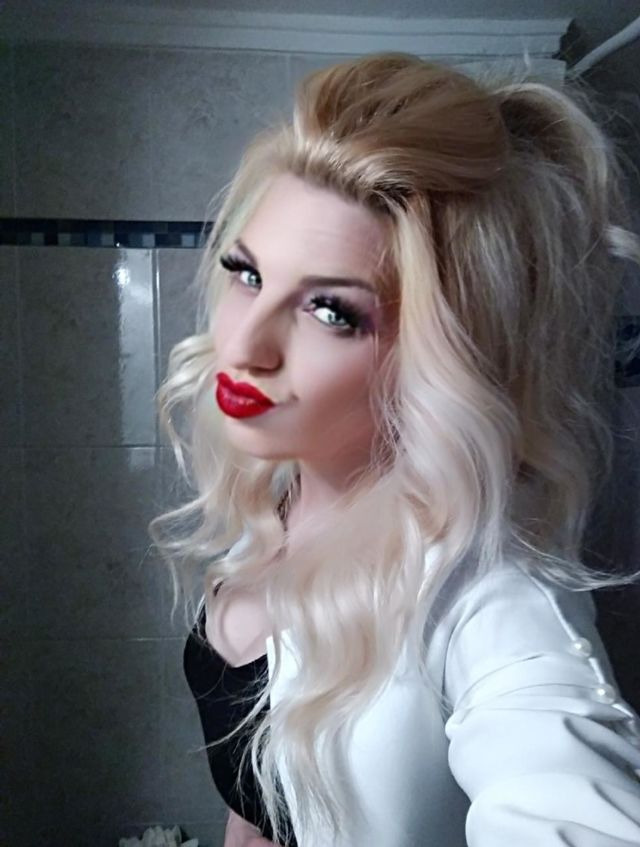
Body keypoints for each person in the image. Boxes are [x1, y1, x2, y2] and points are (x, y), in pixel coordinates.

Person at [149, 53, 640, 847]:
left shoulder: (485, 587)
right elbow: (260, 790)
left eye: (330, 311)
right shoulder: (275, 493)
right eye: (246, 273)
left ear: (435, 352)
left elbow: (563, 789)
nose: (244, 344)